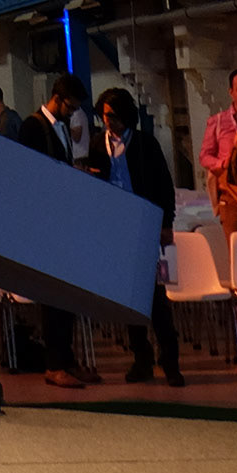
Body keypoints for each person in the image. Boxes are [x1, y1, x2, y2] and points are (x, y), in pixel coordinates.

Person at [88, 89, 183, 387]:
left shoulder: (144, 144)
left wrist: (166, 223)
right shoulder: (97, 143)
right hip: (116, 227)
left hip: (143, 224)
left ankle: (170, 361)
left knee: (155, 297)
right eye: (105, 115)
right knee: (128, 299)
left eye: (113, 116)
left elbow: (164, 185)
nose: (108, 121)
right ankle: (141, 358)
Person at [21, 80, 88, 387]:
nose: (72, 113)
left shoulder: (59, 128)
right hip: (45, 221)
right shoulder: (32, 127)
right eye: (70, 107)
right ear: (57, 99)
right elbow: (29, 173)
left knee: (67, 295)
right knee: (53, 298)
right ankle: (54, 363)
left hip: (62, 219)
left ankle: (67, 358)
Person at [200, 69, 237, 209]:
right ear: (231, 92)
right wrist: (222, 163)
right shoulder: (217, 121)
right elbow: (204, 157)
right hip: (230, 196)